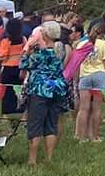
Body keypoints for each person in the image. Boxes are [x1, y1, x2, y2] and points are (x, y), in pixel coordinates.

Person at [20, 21, 69, 164]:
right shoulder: (61, 51)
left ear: (46, 35)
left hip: (40, 90)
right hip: (58, 90)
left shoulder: (40, 54)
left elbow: (23, 64)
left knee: (35, 124)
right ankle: (49, 158)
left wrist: (28, 50)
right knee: (51, 124)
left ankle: (32, 159)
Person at [74, 21, 105, 143]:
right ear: (103, 33)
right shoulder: (103, 44)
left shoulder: (81, 44)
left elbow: (77, 63)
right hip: (99, 76)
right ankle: (94, 136)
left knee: (83, 108)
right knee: (97, 108)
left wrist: (76, 80)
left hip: (85, 76)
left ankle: (81, 137)